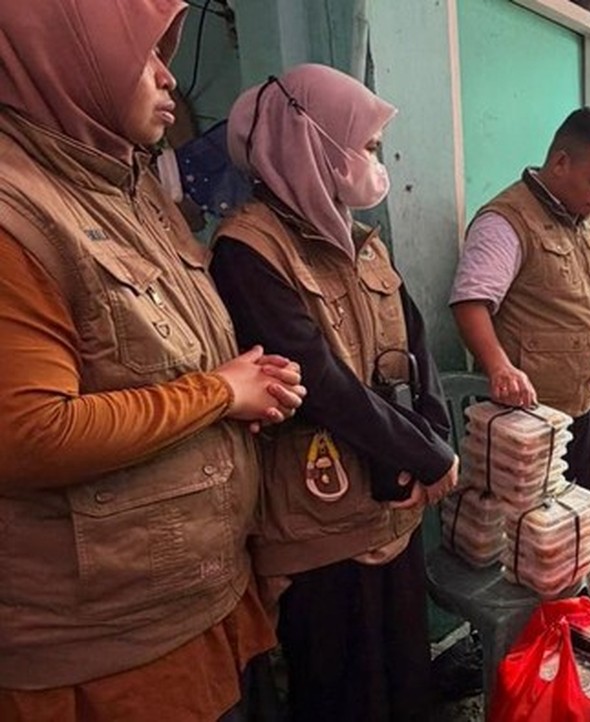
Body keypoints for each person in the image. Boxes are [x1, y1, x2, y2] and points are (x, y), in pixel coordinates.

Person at [0, 2, 306, 720]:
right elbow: (27, 434)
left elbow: (156, 356)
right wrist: (220, 396)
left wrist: (249, 390)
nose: (170, 79)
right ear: (74, 61)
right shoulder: (19, 214)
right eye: (145, 57)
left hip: (201, 607)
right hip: (109, 654)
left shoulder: (128, 190)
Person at [211, 64, 460, 721]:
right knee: (342, 691)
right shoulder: (248, 252)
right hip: (317, 522)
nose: (376, 162)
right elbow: (318, 381)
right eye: (365, 145)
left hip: (390, 503)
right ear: (310, 140)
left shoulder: (361, 240)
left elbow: (415, 345)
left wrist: (429, 438)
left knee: (405, 681)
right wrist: (423, 454)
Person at [450, 108, 590, 490]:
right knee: (529, 530)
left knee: (575, 515)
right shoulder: (506, 221)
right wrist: (499, 367)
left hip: (581, 406)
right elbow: (471, 302)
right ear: (561, 162)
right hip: (528, 418)